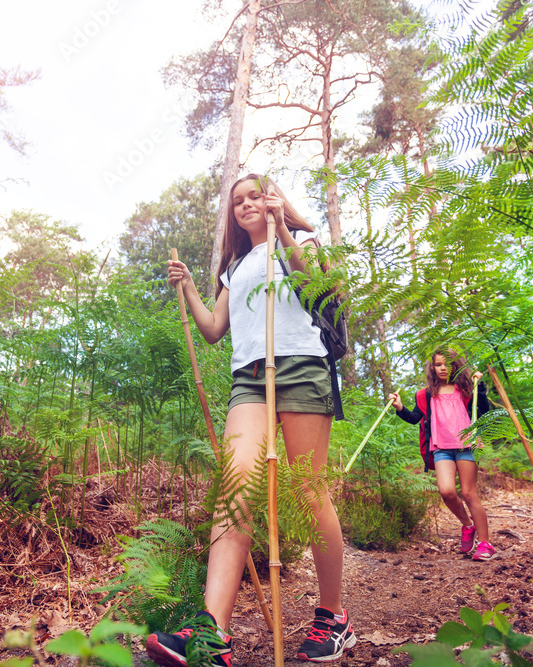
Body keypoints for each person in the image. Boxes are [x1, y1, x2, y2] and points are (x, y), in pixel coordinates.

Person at [146, 175, 354, 666]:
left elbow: (317, 291)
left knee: (308, 489)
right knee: (235, 485)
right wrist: (192, 288)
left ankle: (332, 615)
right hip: (249, 378)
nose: (245, 206)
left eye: (254, 196)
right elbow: (215, 330)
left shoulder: (300, 242)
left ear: (274, 198)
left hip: (302, 367)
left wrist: (283, 230)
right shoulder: (235, 266)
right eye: (237, 201)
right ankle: (213, 632)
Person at [388, 349, 495, 561]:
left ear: (457, 366)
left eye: (448, 364)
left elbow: (485, 411)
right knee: (446, 491)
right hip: (441, 448)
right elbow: (414, 418)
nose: (444, 368)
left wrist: (479, 387)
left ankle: (485, 544)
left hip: (466, 446)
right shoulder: (425, 394)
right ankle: (468, 525)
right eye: (438, 364)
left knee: (469, 493)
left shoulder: (466, 389)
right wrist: (400, 407)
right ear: (433, 368)